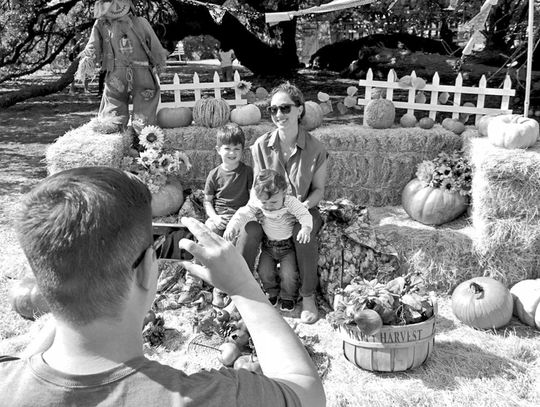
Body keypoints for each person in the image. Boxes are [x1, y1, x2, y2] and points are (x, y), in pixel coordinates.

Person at [0, 167, 325, 407]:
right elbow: (305, 393)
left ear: (43, 284)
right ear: (146, 272)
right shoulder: (206, 398)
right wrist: (243, 286)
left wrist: (67, 289)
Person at [236, 82, 328, 324]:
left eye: (285, 108)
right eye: (273, 110)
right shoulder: (259, 146)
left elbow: (319, 190)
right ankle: (241, 289)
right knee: (250, 227)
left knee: (302, 231)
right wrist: (251, 212)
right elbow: (257, 188)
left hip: (303, 208)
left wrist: (302, 209)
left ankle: (307, 295)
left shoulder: (316, 148)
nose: (279, 115)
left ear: (299, 110)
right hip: (268, 208)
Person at [76, 0, 169, 134]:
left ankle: (115, 132)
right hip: (142, 73)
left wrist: (87, 60)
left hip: (116, 74)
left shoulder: (101, 24)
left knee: (114, 101)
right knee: (145, 103)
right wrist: (158, 63)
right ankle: (144, 135)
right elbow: (155, 46)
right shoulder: (141, 22)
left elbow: (92, 46)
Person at [225, 169, 312, 312]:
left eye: (273, 202)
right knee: (264, 271)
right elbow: (242, 214)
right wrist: (232, 227)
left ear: (284, 192)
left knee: (288, 273)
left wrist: (305, 228)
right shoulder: (258, 203)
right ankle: (271, 293)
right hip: (268, 246)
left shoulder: (290, 202)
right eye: (264, 202)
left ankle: (288, 296)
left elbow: (304, 214)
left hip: (287, 247)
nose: (269, 206)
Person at [204, 123, 253, 236]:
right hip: (221, 217)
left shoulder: (247, 172)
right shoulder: (214, 174)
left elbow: (252, 199)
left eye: (237, 149)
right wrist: (215, 217)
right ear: (218, 150)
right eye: (227, 148)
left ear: (242, 150)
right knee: (209, 228)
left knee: (249, 230)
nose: (232, 153)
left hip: (241, 216)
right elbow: (207, 201)